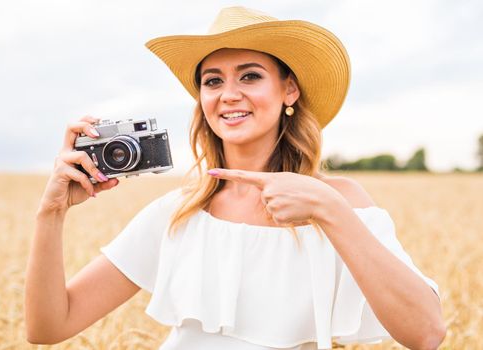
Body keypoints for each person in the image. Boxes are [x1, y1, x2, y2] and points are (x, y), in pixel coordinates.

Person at [25, 6, 446, 350]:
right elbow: (48, 327)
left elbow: (426, 333)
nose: (229, 93)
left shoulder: (339, 200)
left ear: (290, 91)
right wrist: (51, 212)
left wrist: (328, 208)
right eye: (213, 81)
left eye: (250, 75)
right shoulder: (177, 214)